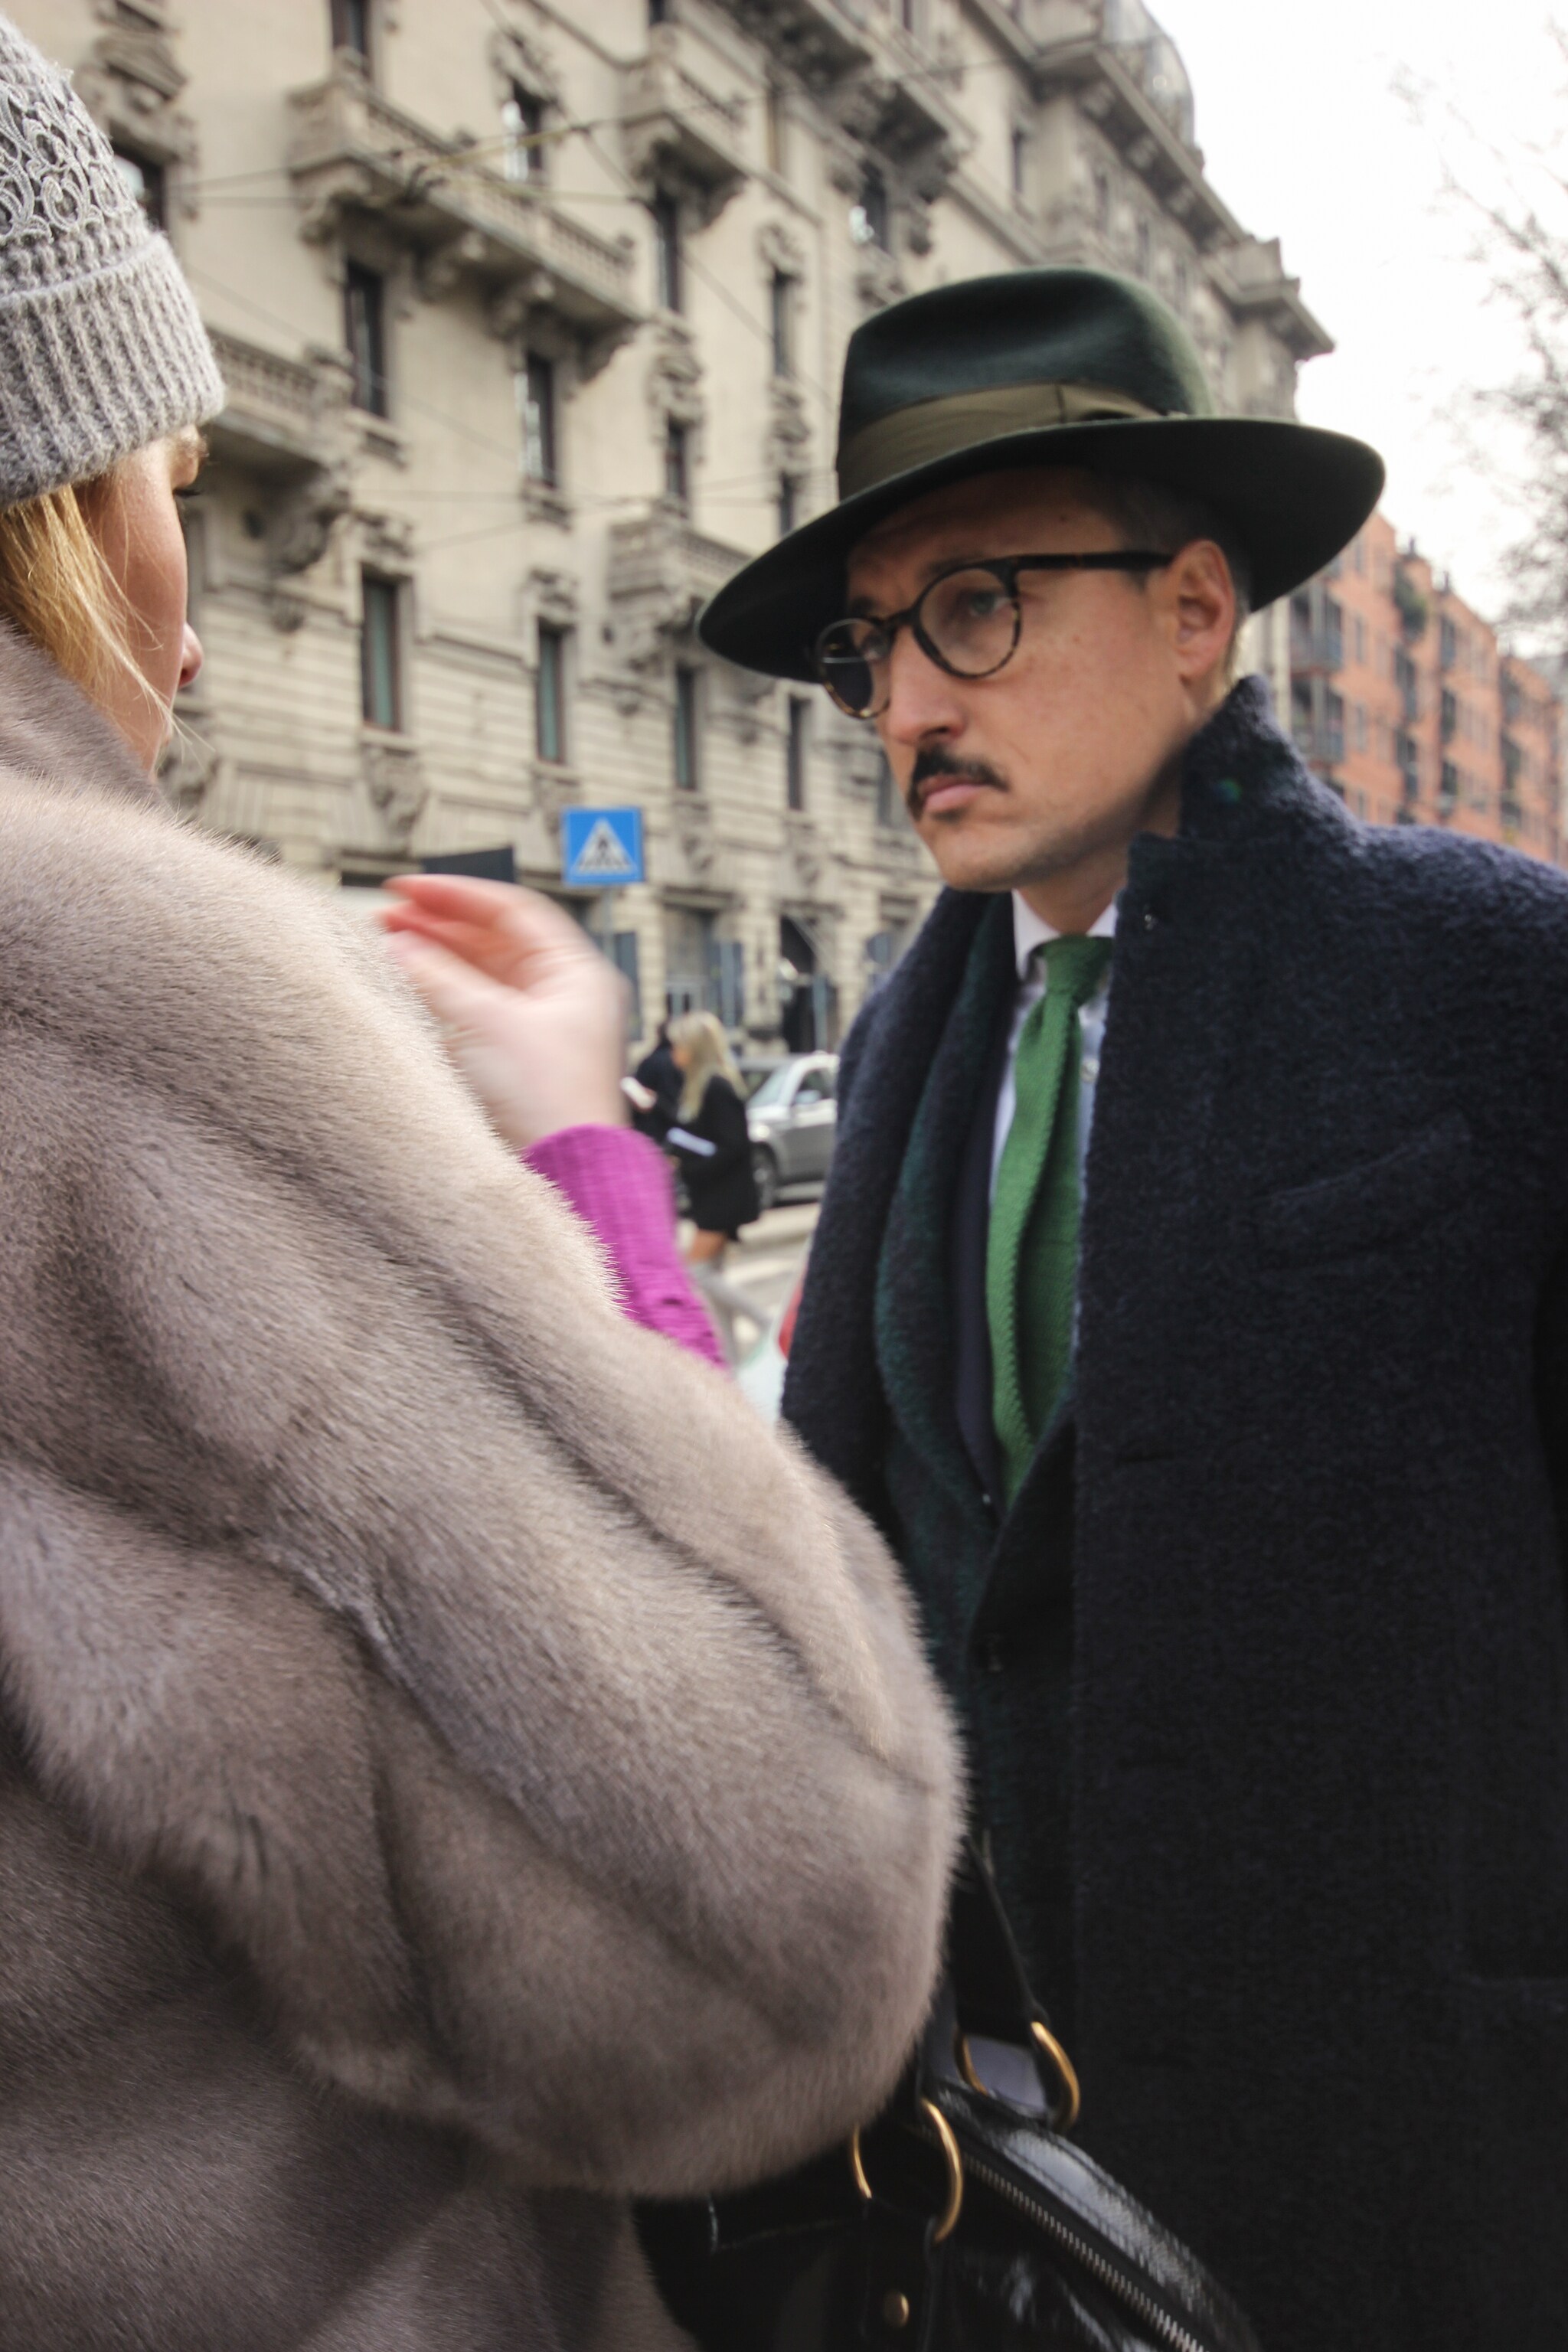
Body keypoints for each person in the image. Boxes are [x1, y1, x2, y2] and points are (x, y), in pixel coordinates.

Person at [0, 23, 962, 2350]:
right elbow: (773, 1932)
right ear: (50, 503)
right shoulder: (117, 1022)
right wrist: (582, 1173)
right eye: (167, 481)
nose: (190, 605)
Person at [697, 264, 1568, 2352]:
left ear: (1192, 613)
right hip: (1003, 2197)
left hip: (1413, 2175)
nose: (904, 707)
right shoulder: (906, 1041)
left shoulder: (1487, 984)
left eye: (973, 606)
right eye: (870, 642)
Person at [659, 1011, 763, 1361]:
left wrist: (691, 1167)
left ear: (695, 1048)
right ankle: (732, 1367)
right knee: (713, 1278)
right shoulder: (700, 1086)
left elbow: (735, 1145)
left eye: (679, 1045)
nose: (674, 1052)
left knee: (696, 1273)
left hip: (724, 1196)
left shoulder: (716, 1086)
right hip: (713, 1194)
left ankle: (767, 1324)